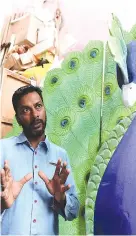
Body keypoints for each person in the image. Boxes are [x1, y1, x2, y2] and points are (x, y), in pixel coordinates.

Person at [0, 85, 80, 235]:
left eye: (38, 106)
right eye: (25, 110)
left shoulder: (60, 156)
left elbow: (74, 212)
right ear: (18, 118)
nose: (35, 114)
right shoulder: (2, 150)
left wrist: (61, 199)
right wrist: (2, 205)